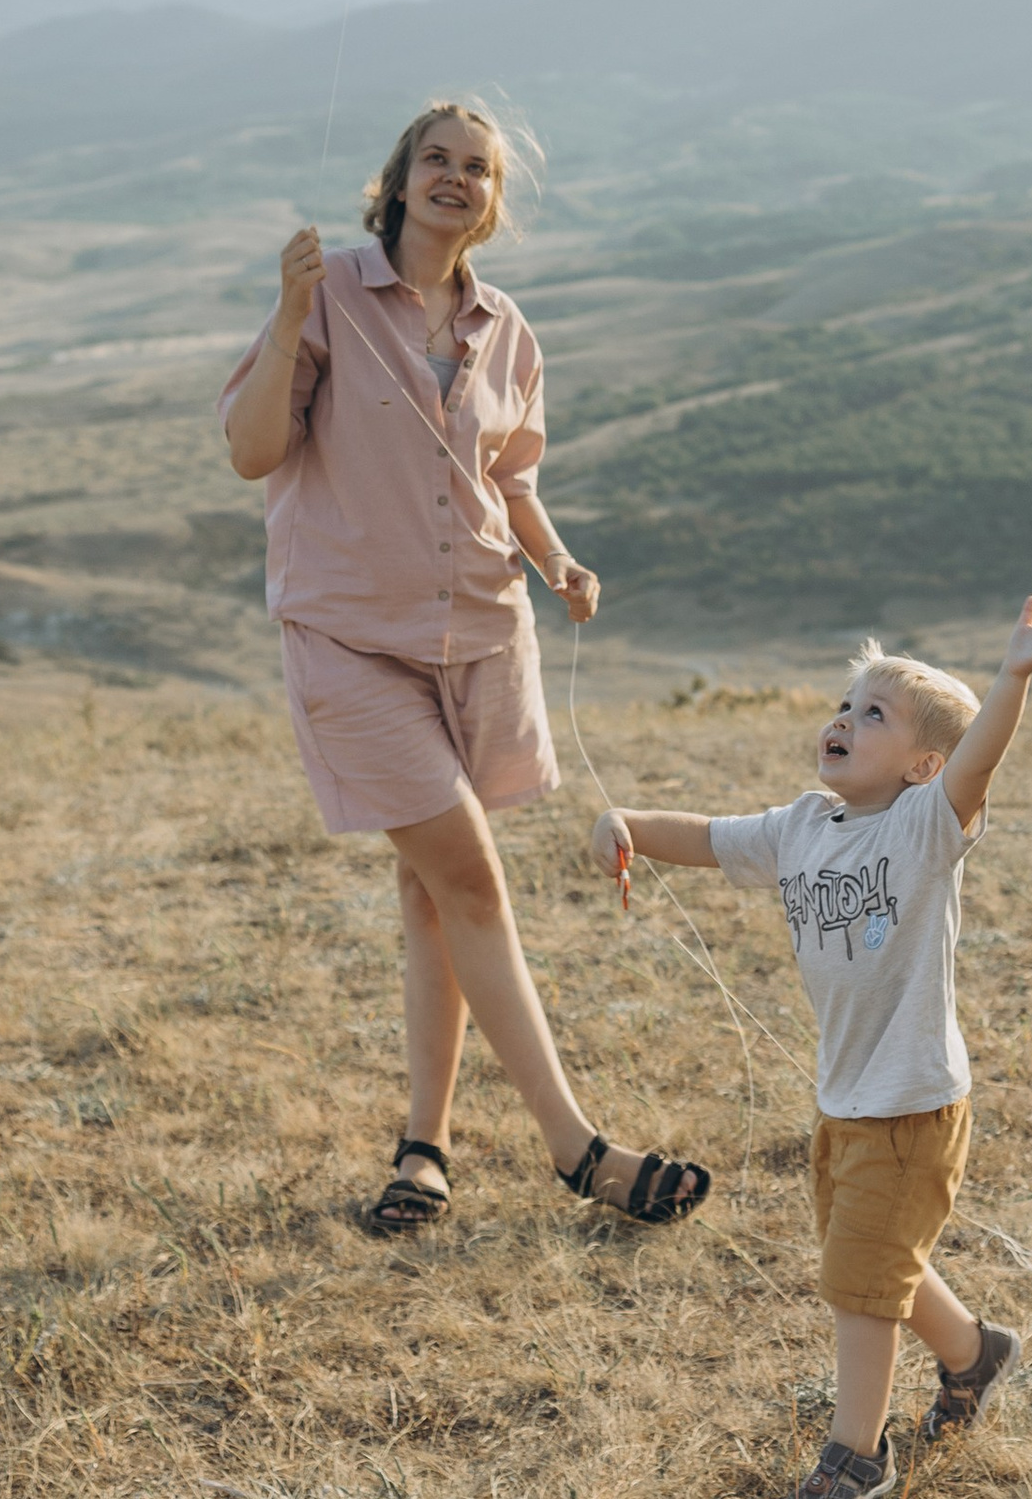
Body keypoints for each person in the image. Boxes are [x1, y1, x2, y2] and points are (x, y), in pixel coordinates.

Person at [221, 97, 709, 1236]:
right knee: (473, 877)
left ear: (493, 202)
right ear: (396, 181)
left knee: (431, 893)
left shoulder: (507, 327)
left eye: (477, 169)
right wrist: (290, 310)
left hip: (483, 637)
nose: (455, 178)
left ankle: (423, 1148)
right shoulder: (331, 294)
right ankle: (577, 1149)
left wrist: (556, 559)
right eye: (435, 159)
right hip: (350, 642)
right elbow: (253, 453)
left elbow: (512, 473)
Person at [590, 596, 1032, 1499]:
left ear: (924, 766)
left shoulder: (925, 828)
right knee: (872, 1254)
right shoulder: (803, 826)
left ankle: (858, 1454)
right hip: (845, 1100)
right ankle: (975, 1353)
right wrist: (628, 825)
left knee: (861, 1280)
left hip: (911, 1104)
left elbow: (979, 762)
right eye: (846, 703)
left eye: (874, 715)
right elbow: (706, 836)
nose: (845, 720)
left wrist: (1012, 677)